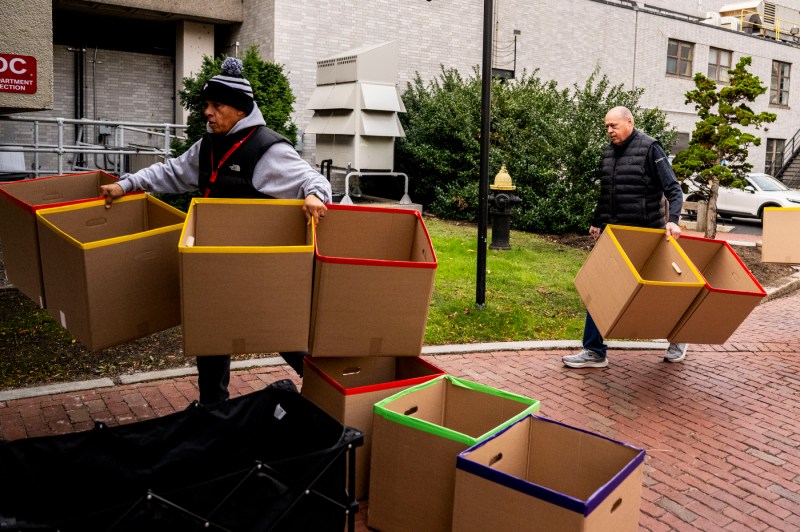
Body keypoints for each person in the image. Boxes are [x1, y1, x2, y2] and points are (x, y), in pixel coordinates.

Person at [100, 57, 331, 404]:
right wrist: (127, 184)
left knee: (277, 333)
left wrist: (315, 195)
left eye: (216, 105)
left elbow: (311, 178)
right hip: (213, 262)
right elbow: (171, 172)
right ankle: (213, 414)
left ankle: (331, 389)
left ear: (240, 110)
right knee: (212, 337)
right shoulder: (208, 145)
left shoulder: (268, 150)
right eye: (206, 105)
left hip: (253, 266)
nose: (207, 112)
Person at [562, 106, 688, 369]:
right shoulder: (609, 152)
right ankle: (595, 351)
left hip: (645, 235)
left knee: (658, 294)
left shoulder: (651, 148)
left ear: (629, 122)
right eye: (607, 126)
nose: (609, 131)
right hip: (615, 235)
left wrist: (673, 222)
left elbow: (673, 189)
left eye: (613, 126)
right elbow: (608, 191)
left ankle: (679, 337)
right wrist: (597, 221)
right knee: (599, 288)